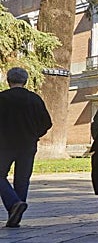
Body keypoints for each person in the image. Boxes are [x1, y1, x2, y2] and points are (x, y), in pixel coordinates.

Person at [0, 67, 52, 228]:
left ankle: (14, 203)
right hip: (28, 144)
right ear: (25, 81)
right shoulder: (34, 99)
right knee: (22, 179)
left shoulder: (2, 98)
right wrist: (35, 134)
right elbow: (47, 123)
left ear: (8, 81)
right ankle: (16, 211)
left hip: (4, 144)